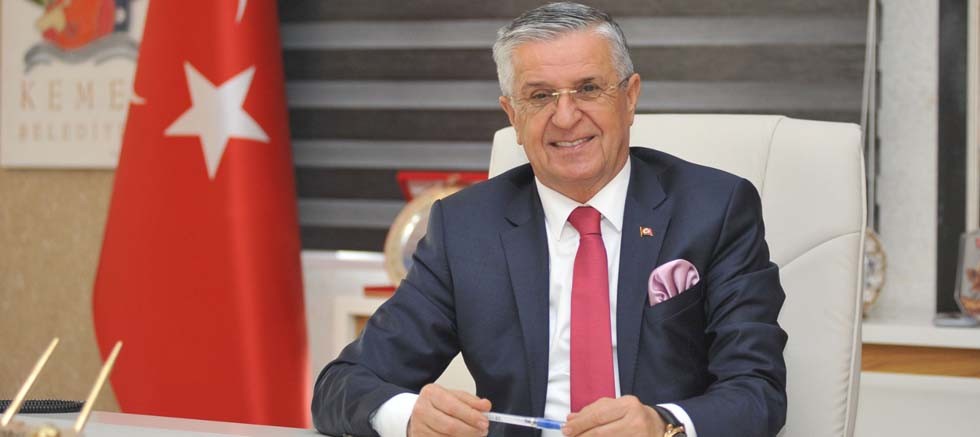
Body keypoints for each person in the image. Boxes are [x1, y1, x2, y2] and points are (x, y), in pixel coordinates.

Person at [311, 3, 787, 437]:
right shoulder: (465, 228)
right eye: (540, 96)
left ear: (630, 97)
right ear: (512, 116)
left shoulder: (714, 209)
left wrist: (664, 425)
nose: (565, 117)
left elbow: (757, 391)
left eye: (588, 89)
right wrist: (410, 416)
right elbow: (341, 386)